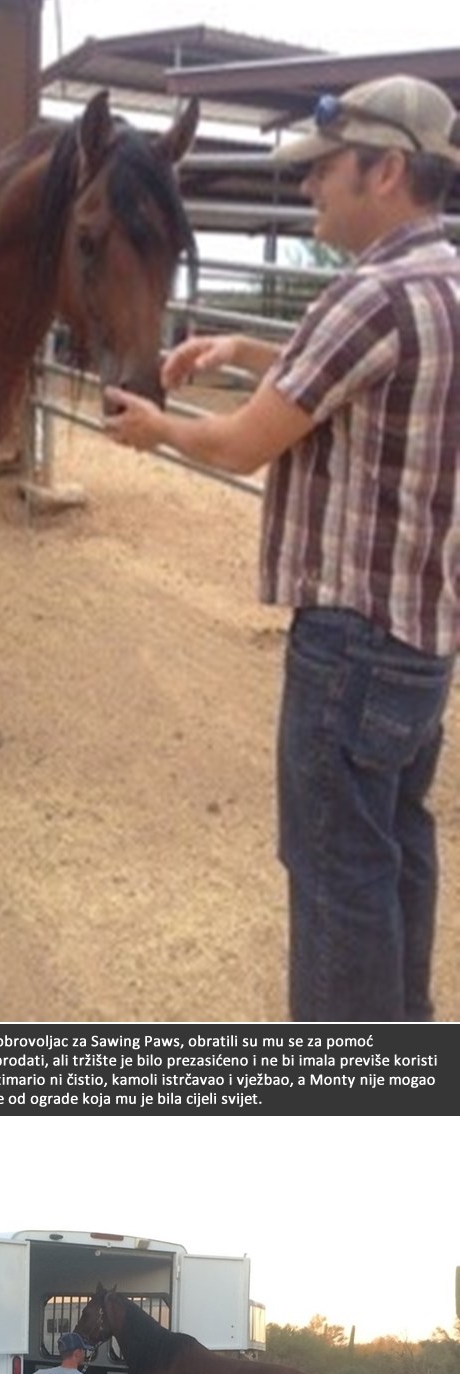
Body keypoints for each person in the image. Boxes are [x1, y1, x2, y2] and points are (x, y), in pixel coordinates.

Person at [106, 69, 460, 1024]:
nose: (306, 189)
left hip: (348, 642)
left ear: (385, 170)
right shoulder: (442, 284)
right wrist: (240, 349)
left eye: (321, 171)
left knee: (332, 869)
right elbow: (350, 376)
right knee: (396, 843)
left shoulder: (368, 296)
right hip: (421, 636)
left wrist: (159, 428)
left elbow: (239, 442)